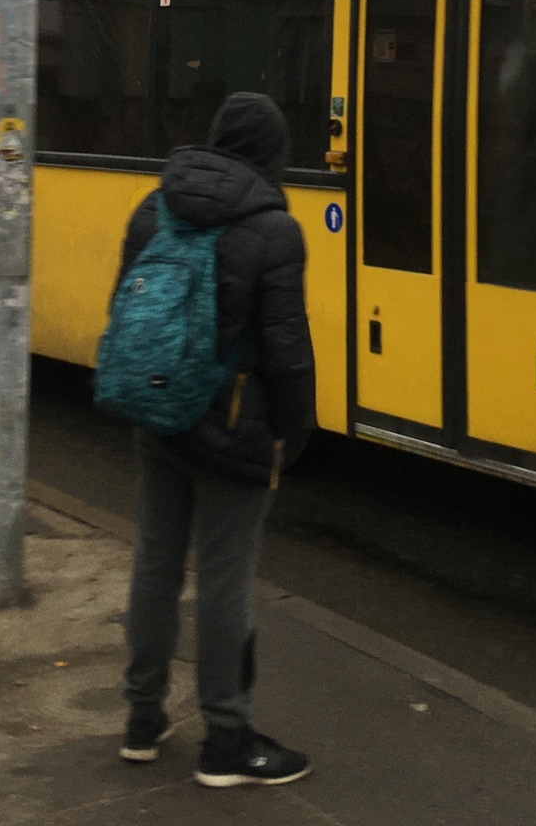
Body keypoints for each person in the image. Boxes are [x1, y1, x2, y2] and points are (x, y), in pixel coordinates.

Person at [115, 92, 316, 788]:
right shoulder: (274, 229)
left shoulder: (151, 209)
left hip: (159, 415)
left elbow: (127, 309)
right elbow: (287, 351)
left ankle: (143, 720)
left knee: (155, 562)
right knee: (225, 581)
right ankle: (226, 741)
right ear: (271, 155)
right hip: (234, 425)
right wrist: (294, 434)